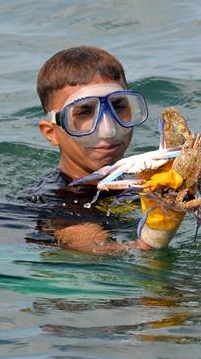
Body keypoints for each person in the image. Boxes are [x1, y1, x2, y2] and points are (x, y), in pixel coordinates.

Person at [27, 46, 185, 255]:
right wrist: (159, 231)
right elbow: (110, 252)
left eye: (119, 106)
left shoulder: (142, 181)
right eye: (84, 111)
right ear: (51, 132)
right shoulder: (59, 207)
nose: (109, 130)